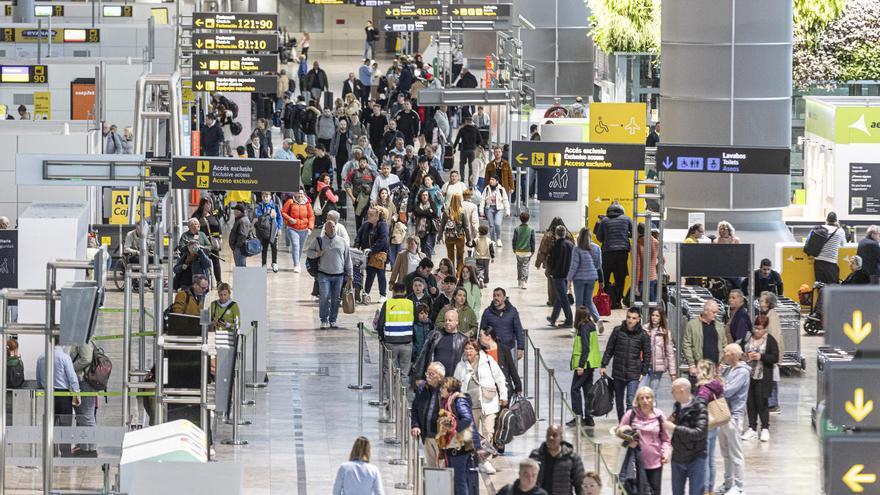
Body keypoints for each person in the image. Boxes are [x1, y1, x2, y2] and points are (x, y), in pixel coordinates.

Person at [453, 340, 507, 474]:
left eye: (471, 349)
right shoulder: (461, 365)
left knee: (488, 432)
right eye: (466, 349)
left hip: (488, 403)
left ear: (477, 350)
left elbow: (500, 378)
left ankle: (485, 461)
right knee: (473, 436)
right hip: (470, 406)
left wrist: (503, 395)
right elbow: (455, 384)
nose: (468, 352)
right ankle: (474, 460)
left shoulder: (488, 361)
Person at [617, 387, 672, 495]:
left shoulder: (659, 415)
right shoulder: (631, 414)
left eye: (648, 397)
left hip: (655, 464)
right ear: (637, 400)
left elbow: (666, 440)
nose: (645, 401)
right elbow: (619, 432)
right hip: (634, 464)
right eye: (642, 398)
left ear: (653, 399)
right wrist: (629, 441)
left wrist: (666, 453)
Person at [601, 307, 651, 421]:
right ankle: (622, 423)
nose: (630, 320)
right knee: (619, 401)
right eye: (629, 317)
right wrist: (603, 364)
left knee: (630, 401)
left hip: (633, 373)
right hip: (618, 372)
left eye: (634, 318)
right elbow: (610, 349)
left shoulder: (643, 335)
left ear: (638, 319)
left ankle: (628, 426)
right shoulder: (617, 331)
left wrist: (643, 371)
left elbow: (647, 355)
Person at [36, 341, 81, 456]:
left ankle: (51, 452)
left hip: (48, 395)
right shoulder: (65, 357)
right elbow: (72, 378)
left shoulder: (41, 357)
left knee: (50, 424)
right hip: (63, 396)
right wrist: (77, 394)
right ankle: (65, 453)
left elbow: (39, 380)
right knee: (65, 424)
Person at [716, 344, 750, 495]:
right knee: (725, 452)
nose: (723, 354)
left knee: (736, 453)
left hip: (734, 416)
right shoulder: (729, 369)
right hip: (723, 414)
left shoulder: (742, 372)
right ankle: (728, 482)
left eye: (726, 352)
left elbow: (728, 391)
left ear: (733, 355)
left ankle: (739, 485)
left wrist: (718, 386)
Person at [438, 377, 481, 495]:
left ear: (449, 389)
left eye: (443, 388)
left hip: (461, 446)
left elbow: (467, 419)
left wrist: (453, 429)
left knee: (460, 480)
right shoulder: (449, 401)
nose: (440, 390)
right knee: (458, 479)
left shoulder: (458, 400)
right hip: (457, 446)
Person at [307, 220, 353, 329]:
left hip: (339, 275)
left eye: (333, 226)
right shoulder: (319, 241)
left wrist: (350, 274)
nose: (332, 228)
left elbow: (347, 259)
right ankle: (324, 320)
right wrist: (317, 254)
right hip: (324, 275)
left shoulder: (342, 242)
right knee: (324, 297)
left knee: (336, 298)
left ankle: (333, 320)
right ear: (325, 229)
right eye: (329, 226)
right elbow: (309, 252)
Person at [666, 378, 708, 495]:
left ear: (682, 390)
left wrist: (674, 428)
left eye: (673, 390)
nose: (671, 393)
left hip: (696, 457)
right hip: (678, 456)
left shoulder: (699, 407)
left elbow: (699, 433)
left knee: (696, 492)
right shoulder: (677, 406)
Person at [739, 315, 779, 443]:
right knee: (750, 403)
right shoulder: (748, 337)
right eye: (755, 327)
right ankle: (752, 428)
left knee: (762, 403)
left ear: (765, 329)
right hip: (748, 376)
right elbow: (740, 352)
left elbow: (775, 357)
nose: (756, 331)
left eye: (759, 328)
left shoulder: (770, 340)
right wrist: (746, 356)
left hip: (763, 376)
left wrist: (761, 357)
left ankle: (765, 428)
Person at [594, 201, 633, 309]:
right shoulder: (627, 219)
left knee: (605, 277)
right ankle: (618, 300)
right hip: (622, 253)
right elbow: (634, 233)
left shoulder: (605, 221)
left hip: (607, 252)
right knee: (620, 278)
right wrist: (625, 234)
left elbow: (599, 237)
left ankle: (606, 300)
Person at [694, 360, 724, 494]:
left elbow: (700, 404)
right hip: (714, 424)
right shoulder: (716, 385)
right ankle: (710, 489)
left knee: (703, 461)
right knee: (711, 459)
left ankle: (704, 490)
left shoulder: (703, 389)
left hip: (704, 425)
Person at [413, 309, 469, 381]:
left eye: (450, 320)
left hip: (452, 380)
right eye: (445, 320)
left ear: (457, 322)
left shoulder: (463, 340)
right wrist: (419, 377)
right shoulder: (434, 335)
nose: (447, 322)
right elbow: (423, 355)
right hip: (434, 378)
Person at [528, 425, 585, 495]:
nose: (550, 438)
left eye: (554, 435)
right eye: (548, 435)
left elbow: (580, 485)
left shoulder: (573, 458)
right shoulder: (535, 456)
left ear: (561, 438)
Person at [569, 306, 601, 427]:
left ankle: (578, 417)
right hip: (591, 363)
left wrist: (581, 365)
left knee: (575, 389)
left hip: (585, 363)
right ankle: (589, 417)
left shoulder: (583, 327)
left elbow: (585, 348)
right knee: (587, 389)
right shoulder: (591, 325)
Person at [411, 361, 446, 467]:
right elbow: (415, 408)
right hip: (426, 435)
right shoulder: (422, 389)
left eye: (432, 374)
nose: (428, 376)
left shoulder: (446, 391)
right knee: (431, 467)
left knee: (442, 467)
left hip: (441, 438)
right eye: (427, 373)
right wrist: (415, 425)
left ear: (440, 377)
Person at [567, 228, 604, 327]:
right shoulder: (597, 248)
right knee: (588, 300)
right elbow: (598, 264)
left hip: (579, 278)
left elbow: (574, 266)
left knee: (579, 302)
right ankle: (598, 319)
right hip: (592, 277)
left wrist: (569, 279)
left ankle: (578, 325)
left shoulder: (577, 248)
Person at [681, 300, 727, 378]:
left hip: (715, 369)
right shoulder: (692, 325)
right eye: (714, 312)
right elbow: (686, 345)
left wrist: (722, 363)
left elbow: (724, 345)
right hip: (699, 368)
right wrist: (691, 364)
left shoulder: (719, 326)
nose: (716, 315)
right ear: (706, 311)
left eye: (717, 312)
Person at [376, 284, 414, 377]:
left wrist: (381, 337)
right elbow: (415, 321)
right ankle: (402, 391)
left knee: (389, 371)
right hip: (407, 342)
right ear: (405, 291)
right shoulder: (410, 303)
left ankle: (389, 390)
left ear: (393, 291)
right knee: (404, 372)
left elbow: (380, 323)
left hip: (391, 342)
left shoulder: (388, 303)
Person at [480, 288, 525, 361]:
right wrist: (482, 348)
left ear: (504, 298)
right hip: (492, 349)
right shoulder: (487, 312)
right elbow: (482, 332)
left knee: (509, 371)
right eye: (494, 295)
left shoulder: (512, 311)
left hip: (509, 349)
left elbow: (518, 330)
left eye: (498, 295)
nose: (496, 298)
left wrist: (521, 348)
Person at [69, 341, 97, 456]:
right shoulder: (80, 338)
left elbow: (86, 359)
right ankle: (84, 446)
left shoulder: (83, 339)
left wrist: (70, 367)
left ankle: (91, 449)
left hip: (84, 382)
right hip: (81, 381)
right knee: (82, 415)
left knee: (86, 415)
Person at [356, 207, 389, 304]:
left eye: (371, 215)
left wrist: (372, 249)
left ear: (377, 216)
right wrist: (357, 246)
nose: (368, 216)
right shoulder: (366, 225)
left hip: (380, 254)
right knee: (369, 274)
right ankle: (366, 293)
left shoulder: (383, 225)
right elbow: (359, 236)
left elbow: (383, 239)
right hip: (368, 255)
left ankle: (383, 295)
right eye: (368, 214)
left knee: (381, 274)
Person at [479, 326, 522, 400]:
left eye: (481, 335)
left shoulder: (504, 349)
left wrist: (518, 387)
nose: (479, 338)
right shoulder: (480, 352)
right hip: (488, 391)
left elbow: (512, 369)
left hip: (504, 389)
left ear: (488, 337)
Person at [546, 225, 575, 327]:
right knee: (559, 296)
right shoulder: (571, 244)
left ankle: (569, 320)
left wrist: (550, 272)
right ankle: (553, 318)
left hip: (558, 275)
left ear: (556, 234)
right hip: (568, 274)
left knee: (563, 298)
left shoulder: (556, 246)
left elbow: (551, 261)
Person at [281, 189, 314, 273]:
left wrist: (310, 228)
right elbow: (283, 212)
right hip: (292, 228)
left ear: (304, 195)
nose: (300, 195)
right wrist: (289, 219)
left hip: (304, 229)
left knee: (300, 248)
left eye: (302, 194)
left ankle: (297, 262)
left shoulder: (307, 204)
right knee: (295, 246)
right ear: (295, 194)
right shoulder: (290, 201)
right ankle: (296, 265)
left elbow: (311, 216)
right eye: (298, 193)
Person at [192, 197, 223, 284]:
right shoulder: (197, 216)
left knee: (216, 262)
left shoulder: (214, 213)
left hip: (213, 243)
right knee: (204, 262)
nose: (209, 206)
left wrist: (220, 237)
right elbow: (193, 229)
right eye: (207, 204)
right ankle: (204, 281)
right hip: (203, 244)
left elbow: (218, 224)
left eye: (210, 204)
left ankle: (218, 281)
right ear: (202, 205)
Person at [440, 194, 472, 276]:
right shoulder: (462, 211)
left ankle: (451, 273)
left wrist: (439, 236)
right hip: (459, 236)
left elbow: (442, 225)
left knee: (450, 256)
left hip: (449, 236)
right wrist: (469, 239)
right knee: (460, 257)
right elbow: (466, 227)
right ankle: (458, 273)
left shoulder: (446, 212)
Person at [812, 212, 846, 284]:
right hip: (831, 262)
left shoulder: (820, 228)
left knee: (820, 286)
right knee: (832, 286)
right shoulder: (840, 231)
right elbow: (843, 244)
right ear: (836, 221)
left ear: (826, 220)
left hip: (818, 261)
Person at [254, 192, 282, 273]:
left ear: (270, 197)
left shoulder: (275, 206)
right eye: (264, 196)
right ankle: (264, 264)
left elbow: (280, 218)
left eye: (267, 196)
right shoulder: (260, 206)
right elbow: (259, 216)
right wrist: (269, 214)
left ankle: (274, 263)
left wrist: (279, 228)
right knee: (264, 248)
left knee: (274, 247)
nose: (265, 198)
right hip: (264, 230)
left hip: (273, 230)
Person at [480, 175, 510, 245]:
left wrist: (507, 210)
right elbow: (482, 200)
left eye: (493, 180)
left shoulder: (501, 189)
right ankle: (492, 240)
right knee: (491, 225)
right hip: (489, 208)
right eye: (490, 179)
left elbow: (505, 200)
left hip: (499, 209)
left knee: (497, 223)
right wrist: (481, 210)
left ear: (497, 181)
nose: (491, 181)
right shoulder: (487, 188)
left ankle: (499, 239)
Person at [634, 223, 660, 302]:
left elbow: (637, 266)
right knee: (652, 303)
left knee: (639, 304)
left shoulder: (637, 245)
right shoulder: (656, 242)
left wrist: (636, 285)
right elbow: (663, 260)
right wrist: (654, 269)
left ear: (638, 232)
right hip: (653, 277)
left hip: (641, 279)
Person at [453, 116, 483, 182]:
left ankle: (462, 180)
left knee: (462, 165)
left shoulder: (462, 129)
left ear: (466, 122)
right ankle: (470, 181)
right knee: (471, 167)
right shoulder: (475, 129)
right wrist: (476, 145)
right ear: (472, 121)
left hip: (464, 150)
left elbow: (457, 140)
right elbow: (480, 140)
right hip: (472, 150)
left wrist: (454, 148)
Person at [413, 189, 439, 259]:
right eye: (423, 195)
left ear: (428, 196)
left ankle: (427, 264)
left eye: (426, 195)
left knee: (428, 247)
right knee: (423, 248)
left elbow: (435, 214)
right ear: (420, 196)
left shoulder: (432, 204)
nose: (424, 196)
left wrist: (423, 212)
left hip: (431, 230)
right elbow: (417, 212)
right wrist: (428, 212)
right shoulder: (417, 204)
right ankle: (425, 264)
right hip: (420, 230)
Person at [512, 211, 536, 290]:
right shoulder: (531, 229)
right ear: (528, 219)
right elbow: (532, 241)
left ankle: (519, 280)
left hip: (518, 251)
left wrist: (514, 248)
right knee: (525, 267)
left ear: (520, 219)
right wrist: (533, 250)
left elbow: (514, 240)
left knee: (519, 266)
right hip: (527, 251)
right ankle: (524, 281)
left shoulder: (517, 229)